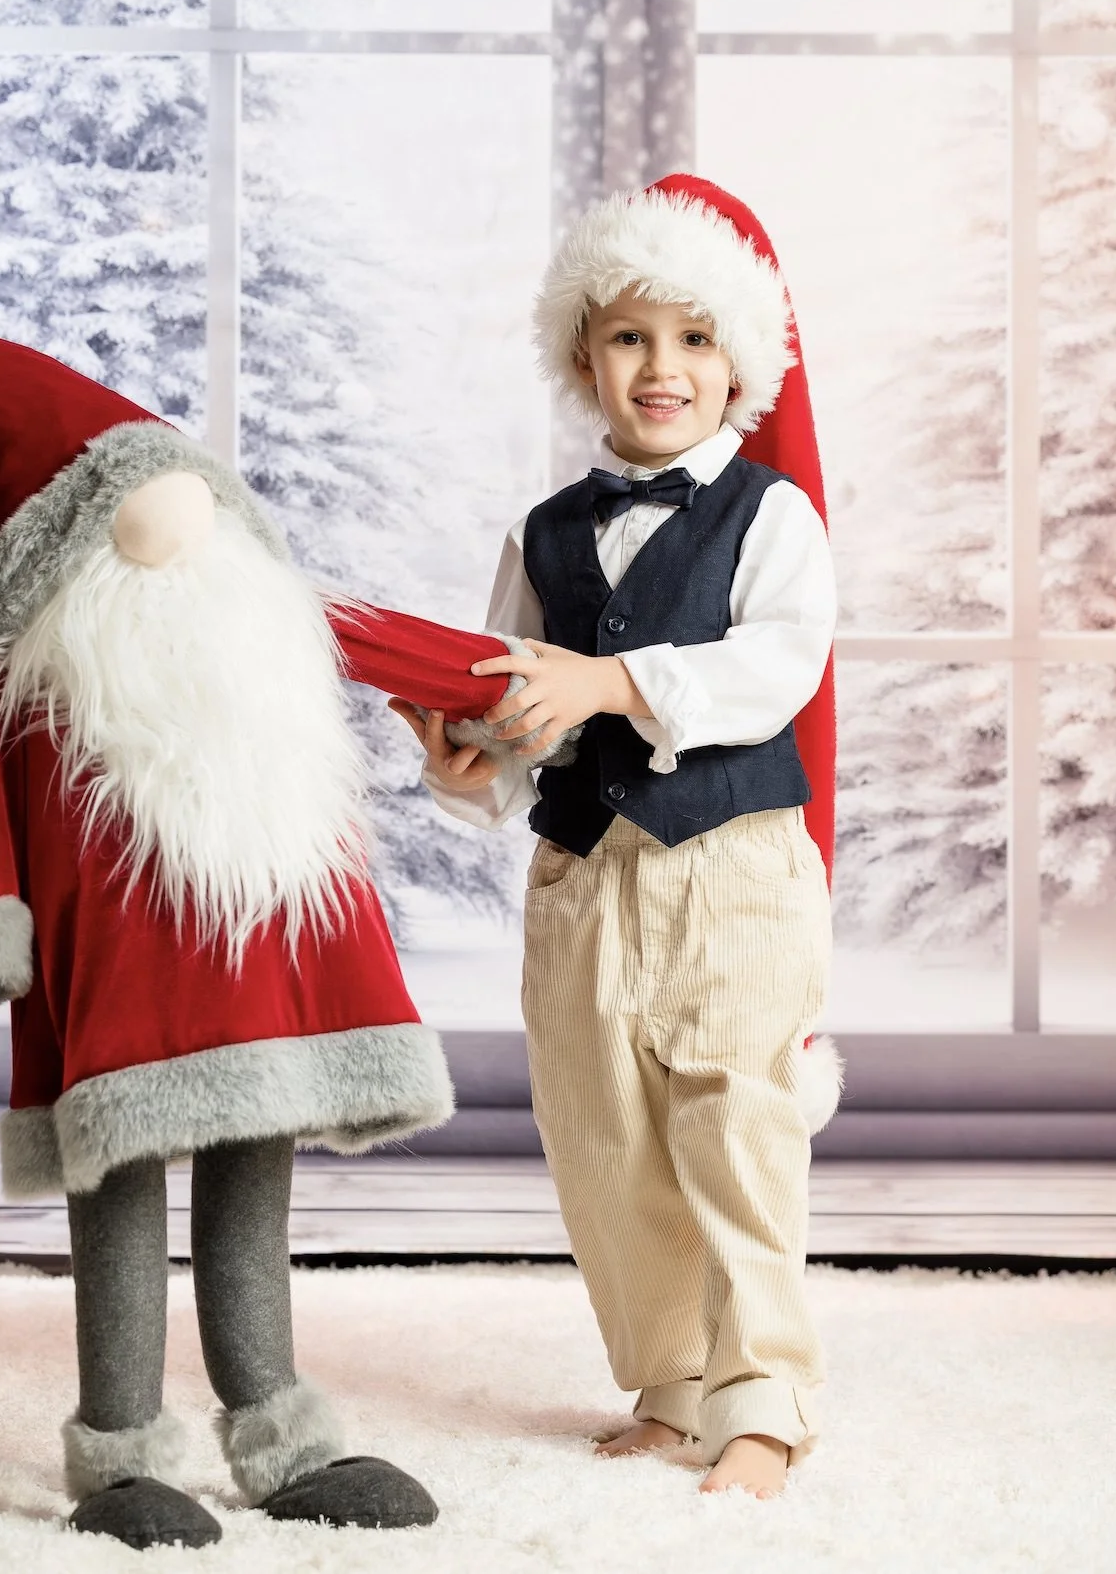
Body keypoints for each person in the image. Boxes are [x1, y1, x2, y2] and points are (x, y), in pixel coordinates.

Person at [0, 327, 525, 1551]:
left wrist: (549, 687)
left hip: (271, 973)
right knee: (123, 1208)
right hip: (116, 1002)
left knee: (253, 1195)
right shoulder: (14, 681)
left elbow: (423, 652)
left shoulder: (265, 616)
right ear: (40, 553)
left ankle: (283, 1433)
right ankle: (123, 1447)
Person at [393, 175, 840, 1500]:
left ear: (739, 365)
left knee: (735, 1129)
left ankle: (763, 1396)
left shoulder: (772, 519)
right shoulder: (542, 535)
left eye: (697, 340)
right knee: (608, 1141)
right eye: (633, 335)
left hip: (731, 877)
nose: (663, 367)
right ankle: (671, 1383)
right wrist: (469, 751)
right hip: (585, 878)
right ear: (583, 355)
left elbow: (781, 665)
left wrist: (619, 685)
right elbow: (518, 698)